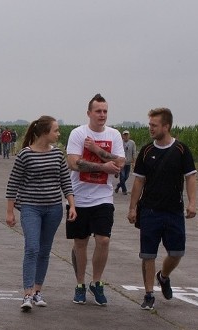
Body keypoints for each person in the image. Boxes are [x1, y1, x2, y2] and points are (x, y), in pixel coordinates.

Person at [126, 108, 197, 311]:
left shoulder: (181, 150)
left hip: (174, 211)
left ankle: (163, 276)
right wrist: (133, 208)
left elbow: (190, 177)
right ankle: (149, 294)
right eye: (149, 125)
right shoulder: (147, 151)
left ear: (166, 126)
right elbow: (138, 182)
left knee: (176, 253)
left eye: (154, 125)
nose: (150, 129)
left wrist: (192, 203)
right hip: (149, 211)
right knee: (148, 255)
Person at [5, 116, 76, 311]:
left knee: (45, 251)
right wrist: (10, 212)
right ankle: (27, 293)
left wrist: (72, 205)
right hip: (30, 207)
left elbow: (65, 181)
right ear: (45, 132)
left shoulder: (57, 155)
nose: (58, 134)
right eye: (56, 130)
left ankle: (37, 291)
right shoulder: (25, 155)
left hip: (53, 208)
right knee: (32, 248)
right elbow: (13, 184)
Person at [66, 93, 125, 306]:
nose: (102, 115)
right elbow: (73, 163)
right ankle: (80, 284)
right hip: (79, 197)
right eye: (98, 111)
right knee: (80, 243)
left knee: (104, 240)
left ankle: (96, 282)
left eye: (105, 111)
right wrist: (102, 166)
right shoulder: (78, 133)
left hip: (103, 197)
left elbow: (120, 162)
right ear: (89, 113)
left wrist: (96, 150)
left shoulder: (114, 135)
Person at [116, 130, 136, 194]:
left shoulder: (132, 143)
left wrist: (134, 160)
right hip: (121, 162)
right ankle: (124, 190)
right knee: (122, 176)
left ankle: (118, 185)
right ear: (122, 136)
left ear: (129, 135)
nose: (126, 136)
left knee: (126, 176)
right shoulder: (120, 143)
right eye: (125, 135)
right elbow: (117, 152)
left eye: (127, 135)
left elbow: (134, 152)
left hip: (128, 162)